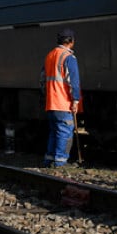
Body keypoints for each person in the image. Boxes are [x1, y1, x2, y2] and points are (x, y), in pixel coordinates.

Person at [40, 28, 81, 168]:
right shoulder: (68, 57)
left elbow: (42, 80)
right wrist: (76, 100)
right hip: (63, 102)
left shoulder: (50, 55)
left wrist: (46, 96)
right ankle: (61, 162)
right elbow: (74, 81)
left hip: (51, 102)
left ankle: (49, 159)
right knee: (65, 132)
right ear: (70, 41)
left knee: (54, 132)